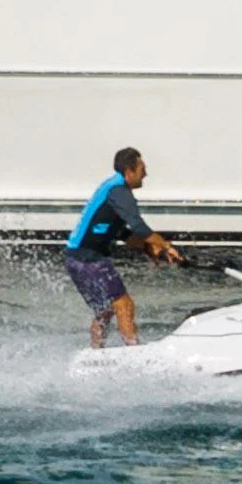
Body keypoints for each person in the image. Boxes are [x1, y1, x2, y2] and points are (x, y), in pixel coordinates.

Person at [63, 148, 180, 347]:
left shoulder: (112, 189)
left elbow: (121, 233)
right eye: (142, 168)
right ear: (129, 171)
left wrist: (147, 248)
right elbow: (138, 226)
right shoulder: (119, 191)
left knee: (105, 310)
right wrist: (166, 246)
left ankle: (96, 353)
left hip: (75, 258)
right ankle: (134, 352)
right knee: (124, 305)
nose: (146, 174)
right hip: (89, 258)